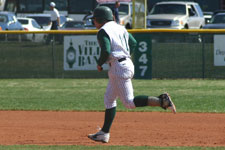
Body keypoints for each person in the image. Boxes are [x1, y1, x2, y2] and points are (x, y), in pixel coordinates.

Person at [88, 6, 176, 143]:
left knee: (129, 102)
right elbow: (133, 43)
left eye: (94, 20)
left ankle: (161, 101)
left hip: (118, 67)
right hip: (124, 64)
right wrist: (125, 56)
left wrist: (99, 63)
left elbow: (105, 50)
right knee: (109, 99)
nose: (93, 23)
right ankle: (104, 133)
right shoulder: (120, 27)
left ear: (101, 19)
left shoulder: (103, 31)